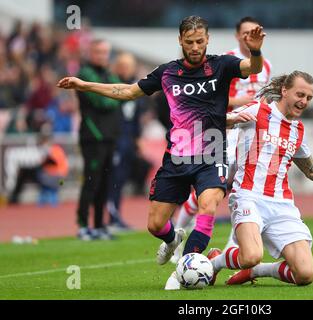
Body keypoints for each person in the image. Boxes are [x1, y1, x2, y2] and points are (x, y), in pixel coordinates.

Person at [57, 15, 266, 289]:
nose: (195, 47)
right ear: (180, 40)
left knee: (207, 205)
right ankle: (172, 240)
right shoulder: (167, 73)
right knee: (155, 225)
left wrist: (256, 49)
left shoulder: (222, 65)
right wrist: (84, 85)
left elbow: (252, 67)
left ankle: (184, 269)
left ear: (208, 40)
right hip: (177, 158)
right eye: (189, 42)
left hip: (212, 154)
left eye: (200, 41)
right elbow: (127, 91)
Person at [206, 71, 313, 286]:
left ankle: (255, 272)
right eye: (300, 95)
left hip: (281, 205)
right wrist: (231, 119)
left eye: (308, 98)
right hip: (248, 197)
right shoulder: (258, 110)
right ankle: (215, 262)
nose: (304, 101)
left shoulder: (297, 130)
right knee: (250, 255)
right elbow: (210, 121)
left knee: (305, 275)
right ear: (284, 91)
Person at [172, 16, 272, 262]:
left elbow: (264, 99)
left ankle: (231, 246)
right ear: (238, 35)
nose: (251, 35)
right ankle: (176, 239)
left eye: (255, 32)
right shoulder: (225, 62)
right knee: (207, 189)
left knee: (243, 187)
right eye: (246, 32)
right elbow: (215, 99)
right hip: (223, 129)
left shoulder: (264, 65)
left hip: (250, 133)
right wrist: (247, 103)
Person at [73, 39, 122, 241]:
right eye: (98, 52)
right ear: (91, 53)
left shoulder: (108, 75)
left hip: (110, 137)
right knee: (91, 181)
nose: (102, 56)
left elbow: (120, 92)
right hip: (93, 137)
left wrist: (117, 93)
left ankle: (100, 225)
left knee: (105, 182)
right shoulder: (85, 74)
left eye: (105, 52)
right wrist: (116, 94)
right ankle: (83, 225)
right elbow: (102, 101)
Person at [106, 52, 151, 232]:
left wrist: (138, 139)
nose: (125, 69)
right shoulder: (111, 86)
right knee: (112, 178)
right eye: (122, 65)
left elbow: (136, 118)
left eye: (128, 65)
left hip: (128, 141)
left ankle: (115, 215)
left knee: (121, 179)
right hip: (114, 140)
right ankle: (110, 217)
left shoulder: (135, 87)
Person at [8, 123, 69, 205]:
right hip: (60, 180)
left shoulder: (51, 150)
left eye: (44, 139)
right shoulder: (56, 149)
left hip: (58, 180)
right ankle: (14, 197)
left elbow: (45, 164)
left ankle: (14, 198)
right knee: (28, 171)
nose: (42, 141)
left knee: (26, 172)